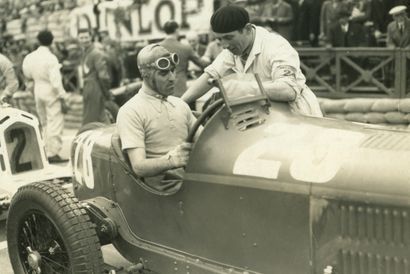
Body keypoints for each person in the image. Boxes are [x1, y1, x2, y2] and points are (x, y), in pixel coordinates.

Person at [182, 5, 323, 117]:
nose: (224, 45)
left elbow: (289, 90)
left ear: (247, 29)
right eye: (219, 39)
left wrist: (241, 88)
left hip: (299, 116)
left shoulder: (276, 45)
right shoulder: (232, 50)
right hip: (269, 116)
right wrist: (179, 104)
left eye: (229, 38)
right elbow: (209, 76)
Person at [116, 44, 196, 179]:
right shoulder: (131, 111)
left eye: (173, 70)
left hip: (193, 181)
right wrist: (172, 161)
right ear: (145, 75)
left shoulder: (180, 104)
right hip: (165, 189)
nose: (172, 78)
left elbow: (206, 141)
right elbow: (139, 167)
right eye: (164, 73)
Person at [22, 30, 69, 163]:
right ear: (52, 41)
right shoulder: (51, 58)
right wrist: (62, 96)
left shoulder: (30, 57)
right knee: (55, 120)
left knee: (44, 121)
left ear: (38, 41)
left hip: (38, 87)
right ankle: (52, 152)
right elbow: (55, 80)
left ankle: (45, 149)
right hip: (50, 89)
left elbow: (27, 73)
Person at [159, 20, 208, 97]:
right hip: (179, 89)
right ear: (177, 30)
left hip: (161, 88)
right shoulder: (185, 48)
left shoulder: (156, 47)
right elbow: (203, 64)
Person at [78, 28, 111, 125]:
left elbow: (103, 75)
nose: (84, 40)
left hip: (94, 87)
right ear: (78, 39)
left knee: (90, 119)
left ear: (91, 37)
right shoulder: (85, 53)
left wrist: (106, 92)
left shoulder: (96, 53)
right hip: (88, 86)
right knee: (100, 117)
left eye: (86, 37)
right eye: (81, 38)